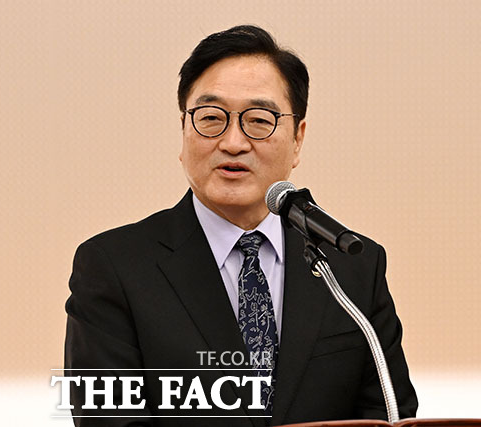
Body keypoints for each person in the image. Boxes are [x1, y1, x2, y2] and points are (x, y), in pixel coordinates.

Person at [64, 25, 418, 426]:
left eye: (259, 120)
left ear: (297, 140)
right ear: (183, 131)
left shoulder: (353, 266)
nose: (233, 142)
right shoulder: (114, 267)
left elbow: (390, 413)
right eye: (211, 118)